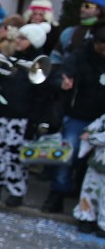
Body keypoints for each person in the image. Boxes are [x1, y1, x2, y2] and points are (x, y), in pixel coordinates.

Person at [0, 23, 49, 208]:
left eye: (23, 39)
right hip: (2, 113)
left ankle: (16, 191)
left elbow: (40, 97)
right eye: (18, 37)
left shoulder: (38, 65)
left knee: (16, 158)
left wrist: (34, 124)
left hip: (22, 118)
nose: (18, 41)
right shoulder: (11, 59)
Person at [41, 21, 105, 212]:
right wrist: (62, 82)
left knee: (96, 164)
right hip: (77, 115)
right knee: (67, 153)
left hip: (102, 120)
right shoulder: (80, 55)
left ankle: (88, 204)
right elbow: (58, 74)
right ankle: (57, 194)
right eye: (101, 47)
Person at [74, 111, 105, 237]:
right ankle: (86, 217)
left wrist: (92, 138)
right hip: (98, 160)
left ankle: (103, 224)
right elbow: (95, 125)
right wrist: (89, 132)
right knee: (90, 189)